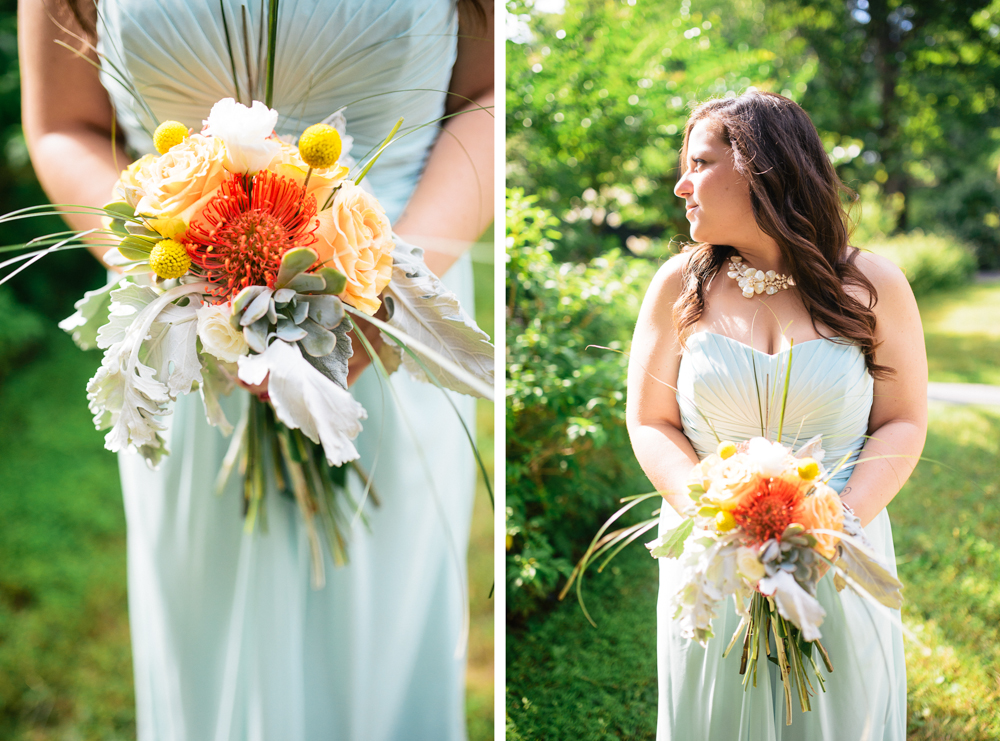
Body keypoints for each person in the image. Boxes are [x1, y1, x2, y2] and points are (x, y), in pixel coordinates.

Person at [19, 0, 493, 739]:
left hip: (393, 305)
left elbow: (489, 93)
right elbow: (62, 122)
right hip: (190, 342)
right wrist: (182, 284)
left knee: (379, 632)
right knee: (207, 619)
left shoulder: (387, 299)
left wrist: (379, 296)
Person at [626, 91, 926, 740]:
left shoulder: (872, 286)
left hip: (840, 548)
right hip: (711, 556)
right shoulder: (678, 286)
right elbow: (650, 421)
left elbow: (903, 420)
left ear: (762, 167)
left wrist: (834, 526)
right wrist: (718, 519)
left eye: (700, 163)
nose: (682, 185)